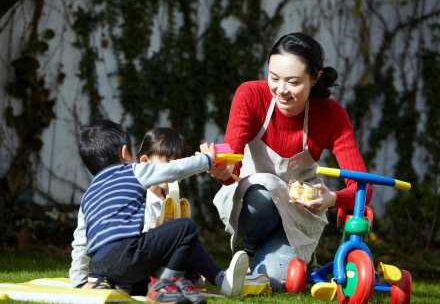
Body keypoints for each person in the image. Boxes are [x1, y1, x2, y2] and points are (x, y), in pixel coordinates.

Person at [209, 33, 373, 291]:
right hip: (256, 204)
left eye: (293, 82)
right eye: (274, 78)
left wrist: (331, 200)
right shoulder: (251, 96)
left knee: (277, 281)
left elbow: (363, 186)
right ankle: (249, 251)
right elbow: (232, 169)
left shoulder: (331, 115)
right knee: (262, 192)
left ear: (315, 78)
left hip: (299, 212)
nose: (280, 90)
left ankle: (263, 267)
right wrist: (222, 171)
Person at [69, 124, 252, 298]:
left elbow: (80, 243)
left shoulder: (88, 194)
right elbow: (174, 169)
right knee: (186, 227)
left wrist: (79, 281)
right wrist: (206, 160)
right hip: (128, 255)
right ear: (124, 153)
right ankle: (171, 283)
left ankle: (114, 284)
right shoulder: (133, 171)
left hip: (102, 265)